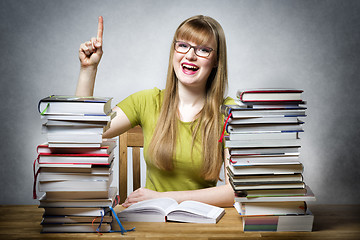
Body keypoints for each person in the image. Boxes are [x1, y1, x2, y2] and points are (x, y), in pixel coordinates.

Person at [76, 15, 235, 207]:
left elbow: (235, 191)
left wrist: (166, 197)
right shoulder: (146, 101)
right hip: (150, 220)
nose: (190, 55)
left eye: (203, 49)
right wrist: (88, 69)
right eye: (183, 45)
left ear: (217, 59)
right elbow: (85, 133)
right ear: (173, 51)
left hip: (201, 224)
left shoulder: (229, 113)